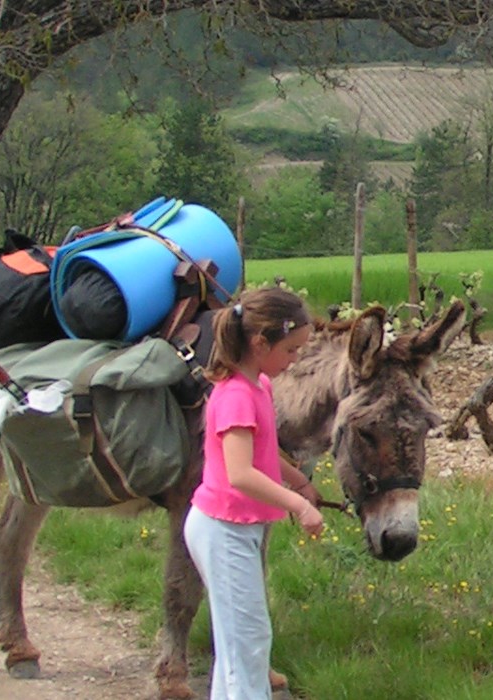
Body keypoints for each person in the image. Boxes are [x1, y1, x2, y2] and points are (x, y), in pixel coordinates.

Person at [184, 287, 324, 700]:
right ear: (260, 343)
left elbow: (261, 453)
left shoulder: (258, 384)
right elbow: (240, 473)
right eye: (292, 350)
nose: (295, 360)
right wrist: (298, 504)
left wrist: (298, 479)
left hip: (235, 528)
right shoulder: (236, 397)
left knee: (239, 639)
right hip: (222, 529)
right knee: (247, 639)